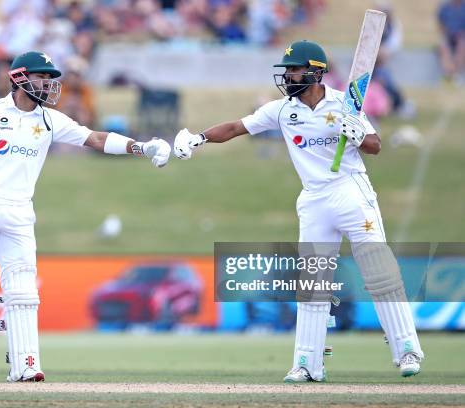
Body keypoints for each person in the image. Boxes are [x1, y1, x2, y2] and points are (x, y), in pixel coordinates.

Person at [0, 51, 170, 382]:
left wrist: (140, 147)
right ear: (19, 78)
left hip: (19, 212)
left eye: (50, 78)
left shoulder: (50, 120)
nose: (49, 84)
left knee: (23, 289)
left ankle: (25, 363)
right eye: (42, 76)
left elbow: (95, 139)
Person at [173, 40, 424, 382]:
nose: (289, 76)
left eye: (294, 69)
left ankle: (407, 350)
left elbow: (375, 146)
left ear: (316, 72)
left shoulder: (345, 103)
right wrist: (198, 138)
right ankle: (308, 363)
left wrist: (354, 134)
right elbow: (236, 127)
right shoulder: (281, 110)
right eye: (287, 70)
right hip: (314, 200)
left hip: (351, 191)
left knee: (379, 271)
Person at [437, 0, 465, 82]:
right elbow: (441, 25)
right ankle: (449, 73)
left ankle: (456, 72)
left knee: (462, 45)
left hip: (462, 37)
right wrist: (446, 34)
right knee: (443, 46)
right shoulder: (445, 8)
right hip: (448, 36)